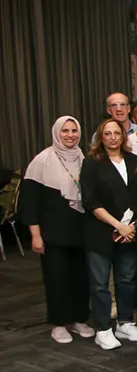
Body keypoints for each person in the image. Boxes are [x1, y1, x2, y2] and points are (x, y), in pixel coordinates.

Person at [22, 116, 92, 344]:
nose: (70, 135)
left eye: (74, 130)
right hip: (52, 233)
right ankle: (59, 324)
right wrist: (35, 235)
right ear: (56, 133)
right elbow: (30, 202)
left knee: (81, 279)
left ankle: (80, 319)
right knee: (57, 279)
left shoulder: (83, 158)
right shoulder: (42, 160)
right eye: (65, 131)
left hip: (80, 232)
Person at [81, 118, 137, 349]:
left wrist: (131, 226)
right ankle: (103, 328)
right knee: (100, 283)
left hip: (129, 232)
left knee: (127, 279)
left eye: (116, 133)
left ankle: (125, 323)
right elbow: (90, 201)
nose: (112, 137)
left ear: (123, 135)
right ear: (101, 137)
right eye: (107, 133)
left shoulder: (134, 161)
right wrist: (117, 225)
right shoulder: (92, 163)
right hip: (100, 232)